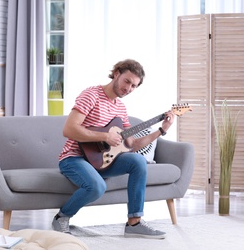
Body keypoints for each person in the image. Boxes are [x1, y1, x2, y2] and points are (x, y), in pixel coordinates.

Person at [53, 59, 175, 239]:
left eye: (134, 86)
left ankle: (134, 223)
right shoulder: (91, 95)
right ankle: (62, 216)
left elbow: (131, 144)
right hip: (74, 158)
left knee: (138, 161)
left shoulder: (120, 107)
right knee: (96, 186)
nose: (129, 89)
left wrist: (162, 130)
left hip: (104, 161)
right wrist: (104, 136)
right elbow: (69, 129)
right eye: (127, 81)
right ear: (117, 73)